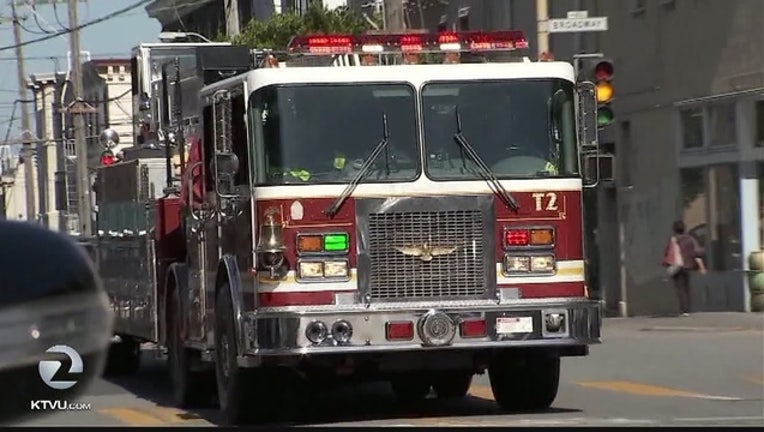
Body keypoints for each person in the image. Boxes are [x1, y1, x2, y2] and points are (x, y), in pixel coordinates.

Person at [662, 220, 707, 317]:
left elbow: (668, 254)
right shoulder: (690, 239)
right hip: (687, 266)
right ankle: (687, 310)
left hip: (676, 266)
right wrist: (701, 266)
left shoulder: (673, 240)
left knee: (679, 288)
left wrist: (666, 265)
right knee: (686, 288)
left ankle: (683, 309)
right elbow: (696, 253)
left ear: (674, 229)